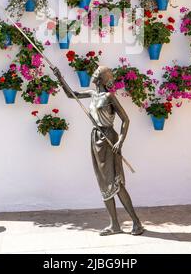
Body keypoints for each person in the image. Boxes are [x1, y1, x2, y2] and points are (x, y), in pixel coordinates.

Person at [53, 65, 144, 236]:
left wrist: (121, 142)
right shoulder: (91, 94)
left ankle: (136, 222)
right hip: (96, 139)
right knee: (104, 184)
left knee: (116, 183)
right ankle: (114, 224)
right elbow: (71, 94)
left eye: (97, 73)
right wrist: (59, 77)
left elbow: (126, 120)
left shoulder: (109, 97)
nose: (94, 75)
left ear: (103, 78)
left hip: (109, 139)